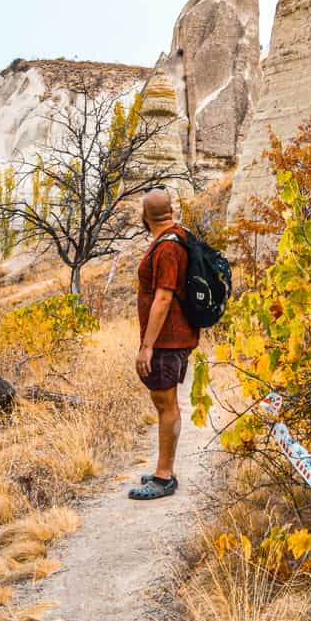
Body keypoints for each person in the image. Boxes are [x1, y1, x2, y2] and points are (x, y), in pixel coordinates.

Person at [129, 188, 199, 501]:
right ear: (170, 210)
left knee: (165, 403)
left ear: (145, 216)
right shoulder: (176, 236)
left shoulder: (168, 247)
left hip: (168, 339)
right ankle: (163, 468)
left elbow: (163, 296)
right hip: (171, 336)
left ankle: (163, 476)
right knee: (164, 402)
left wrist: (147, 346)